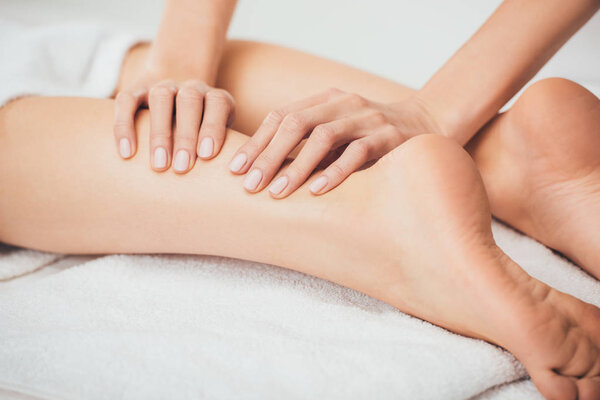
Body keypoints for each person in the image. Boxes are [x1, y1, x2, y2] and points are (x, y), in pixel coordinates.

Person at [0, 1, 599, 399]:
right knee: (126, 70)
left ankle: (372, 219)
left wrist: (178, 62)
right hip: (70, 45)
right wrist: (179, 57)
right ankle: (508, 161)